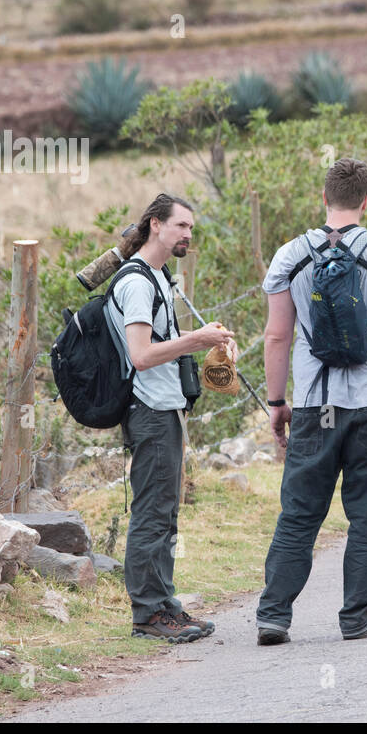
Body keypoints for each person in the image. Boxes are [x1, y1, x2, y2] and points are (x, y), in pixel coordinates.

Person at [255, 157, 367, 645]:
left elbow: (276, 337)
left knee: (300, 512)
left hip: (314, 404)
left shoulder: (291, 254)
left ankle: (273, 615)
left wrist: (277, 402)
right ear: (365, 201)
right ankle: (361, 614)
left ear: (323, 197)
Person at [106, 193, 236, 644]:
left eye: (191, 228)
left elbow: (161, 339)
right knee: (151, 514)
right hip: (149, 409)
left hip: (165, 407)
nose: (188, 235)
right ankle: (146, 615)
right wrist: (195, 339)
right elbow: (141, 356)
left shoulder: (159, 276)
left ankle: (165, 606)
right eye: (181, 226)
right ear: (156, 225)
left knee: (165, 514)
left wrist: (207, 341)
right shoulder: (138, 282)